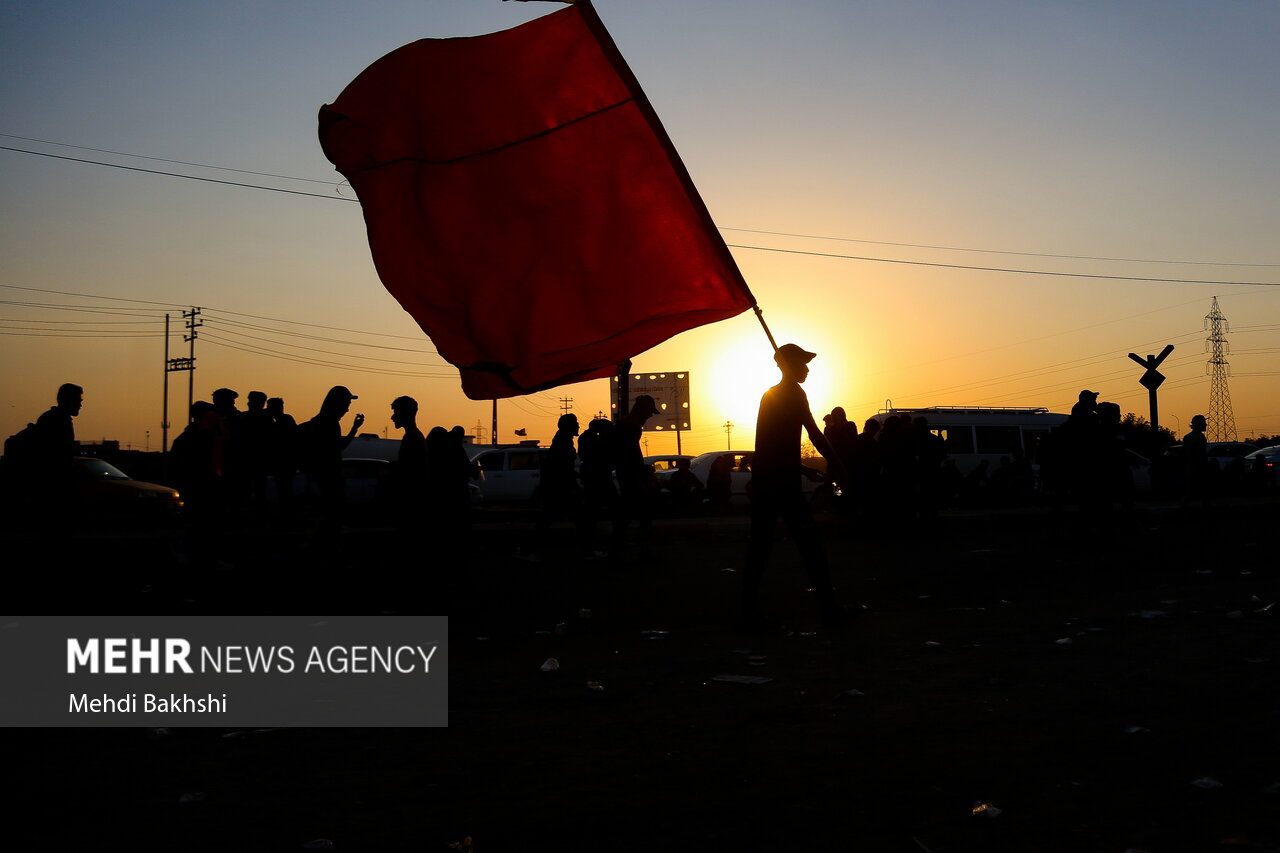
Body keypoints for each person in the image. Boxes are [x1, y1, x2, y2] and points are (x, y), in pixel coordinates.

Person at [742, 344, 850, 629]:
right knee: (810, 546)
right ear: (788, 365)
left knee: (761, 548)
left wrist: (801, 468)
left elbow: (771, 445)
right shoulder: (792, 394)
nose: (807, 369)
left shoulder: (771, 395)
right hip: (781, 484)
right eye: (802, 363)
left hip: (772, 480)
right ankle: (829, 608)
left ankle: (747, 613)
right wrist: (840, 466)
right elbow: (814, 433)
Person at [296, 386, 364, 528]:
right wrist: (355, 428)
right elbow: (339, 446)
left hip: (323, 476)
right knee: (333, 515)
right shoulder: (330, 423)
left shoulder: (321, 421)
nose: (347, 409)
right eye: (346, 404)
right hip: (328, 476)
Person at [610, 395, 660, 558]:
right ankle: (641, 550)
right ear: (642, 411)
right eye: (649, 412)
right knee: (641, 514)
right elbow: (629, 456)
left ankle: (618, 547)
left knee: (627, 514)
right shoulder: (631, 428)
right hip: (632, 478)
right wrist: (641, 476)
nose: (650, 416)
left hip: (629, 476)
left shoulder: (626, 427)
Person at [1182, 414, 1210, 509]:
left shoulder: (1187, 437)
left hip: (1189, 468)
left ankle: (1182, 511)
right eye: (1204, 423)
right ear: (1199, 424)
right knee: (1204, 493)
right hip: (1199, 469)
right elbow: (1201, 454)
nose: (1206, 425)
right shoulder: (1200, 437)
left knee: (1190, 493)